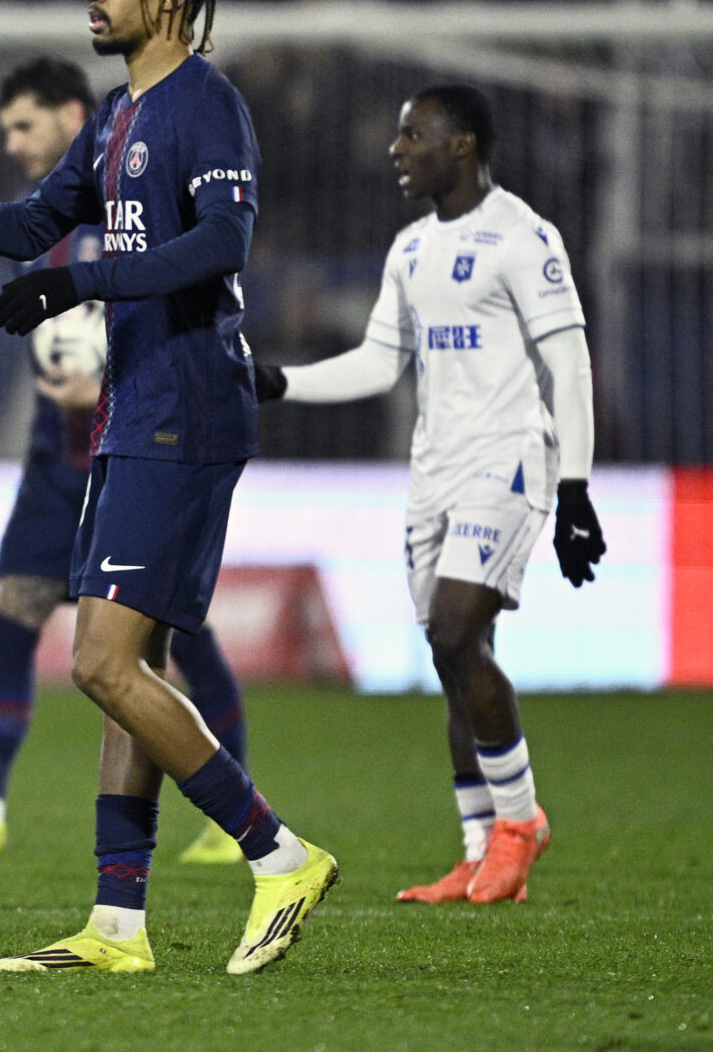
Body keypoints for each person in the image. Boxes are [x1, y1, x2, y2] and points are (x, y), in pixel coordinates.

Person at [0, 0, 336, 976]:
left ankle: (279, 854)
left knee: (101, 663)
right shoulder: (117, 114)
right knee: (131, 668)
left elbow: (223, 242)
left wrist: (83, 279)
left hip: (188, 405)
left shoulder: (206, 102)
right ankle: (117, 925)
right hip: (133, 407)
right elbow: (33, 225)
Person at [0, 56, 253, 868]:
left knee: (168, 642)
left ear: (72, 116)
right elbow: (29, 254)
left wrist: (108, 381)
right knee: (11, 613)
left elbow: (195, 288)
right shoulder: (46, 224)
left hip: (141, 443)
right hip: (58, 456)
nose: (14, 143)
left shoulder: (132, 209)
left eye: (25, 125)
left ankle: (237, 810)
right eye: (6, 130)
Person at [253, 84, 602, 905]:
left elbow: (570, 362)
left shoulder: (524, 237)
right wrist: (280, 382)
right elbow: (381, 363)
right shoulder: (410, 248)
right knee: (454, 660)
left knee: (453, 629)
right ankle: (480, 852)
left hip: (507, 462)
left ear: (463, 144)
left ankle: (520, 824)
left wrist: (576, 490)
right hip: (434, 470)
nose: (396, 148)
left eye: (414, 134)